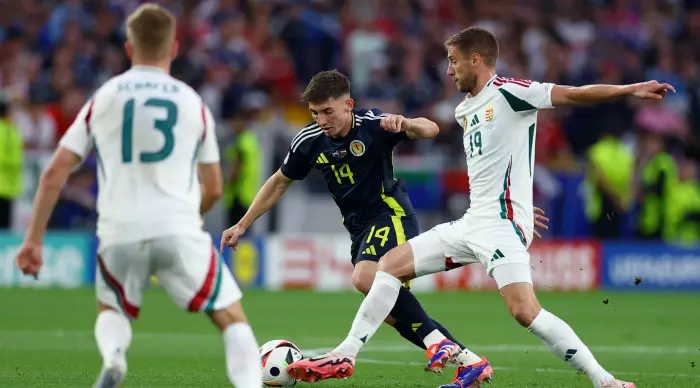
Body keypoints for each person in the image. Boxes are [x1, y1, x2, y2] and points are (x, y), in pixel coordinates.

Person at [287, 27, 674, 388]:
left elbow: (572, 93)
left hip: (502, 224)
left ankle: (605, 381)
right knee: (386, 267)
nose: (449, 69)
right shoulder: (464, 109)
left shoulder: (511, 92)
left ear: (476, 60)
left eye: (454, 61)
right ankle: (346, 353)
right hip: (474, 221)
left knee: (525, 312)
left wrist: (630, 90)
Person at [220, 69, 549, 386]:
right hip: (359, 230)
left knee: (365, 277)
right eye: (315, 113)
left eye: (327, 112)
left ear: (347, 105)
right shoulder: (309, 140)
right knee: (394, 312)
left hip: (391, 214)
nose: (321, 121)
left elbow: (430, 128)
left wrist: (404, 123)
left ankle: (347, 354)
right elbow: (280, 182)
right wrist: (242, 224)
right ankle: (469, 361)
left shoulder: (373, 125)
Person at [15, 4, 262, 388]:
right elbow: (214, 187)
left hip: (118, 230)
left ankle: (114, 358)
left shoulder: (106, 96)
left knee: (111, 307)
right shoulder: (192, 102)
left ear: (129, 49)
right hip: (177, 227)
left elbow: (53, 173)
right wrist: (190, 217)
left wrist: (32, 240)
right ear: (174, 48)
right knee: (231, 319)